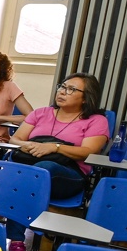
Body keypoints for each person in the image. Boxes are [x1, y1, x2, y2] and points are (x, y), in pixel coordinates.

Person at [10, 73, 108, 201]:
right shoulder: (40, 113)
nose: (62, 92)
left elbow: (88, 152)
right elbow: (15, 139)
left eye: (71, 89)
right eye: (62, 87)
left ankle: (11, 203)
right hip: (28, 162)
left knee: (45, 167)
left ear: (85, 98)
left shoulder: (97, 120)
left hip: (69, 172)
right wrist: (26, 145)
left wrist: (55, 148)